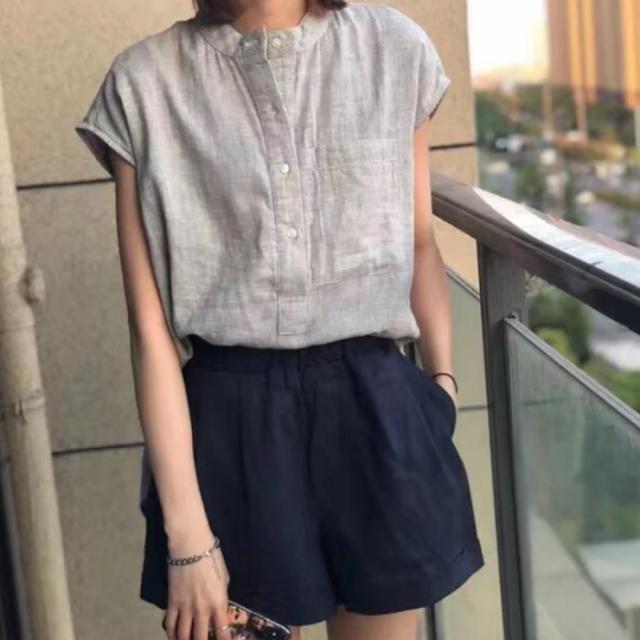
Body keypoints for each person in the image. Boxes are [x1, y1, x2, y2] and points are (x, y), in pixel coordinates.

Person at [74, 0, 485, 639]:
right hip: (229, 426)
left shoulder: (394, 48)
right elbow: (149, 333)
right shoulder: (143, 83)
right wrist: (188, 538)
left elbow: (419, 240)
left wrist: (443, 385)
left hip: (377, 412)